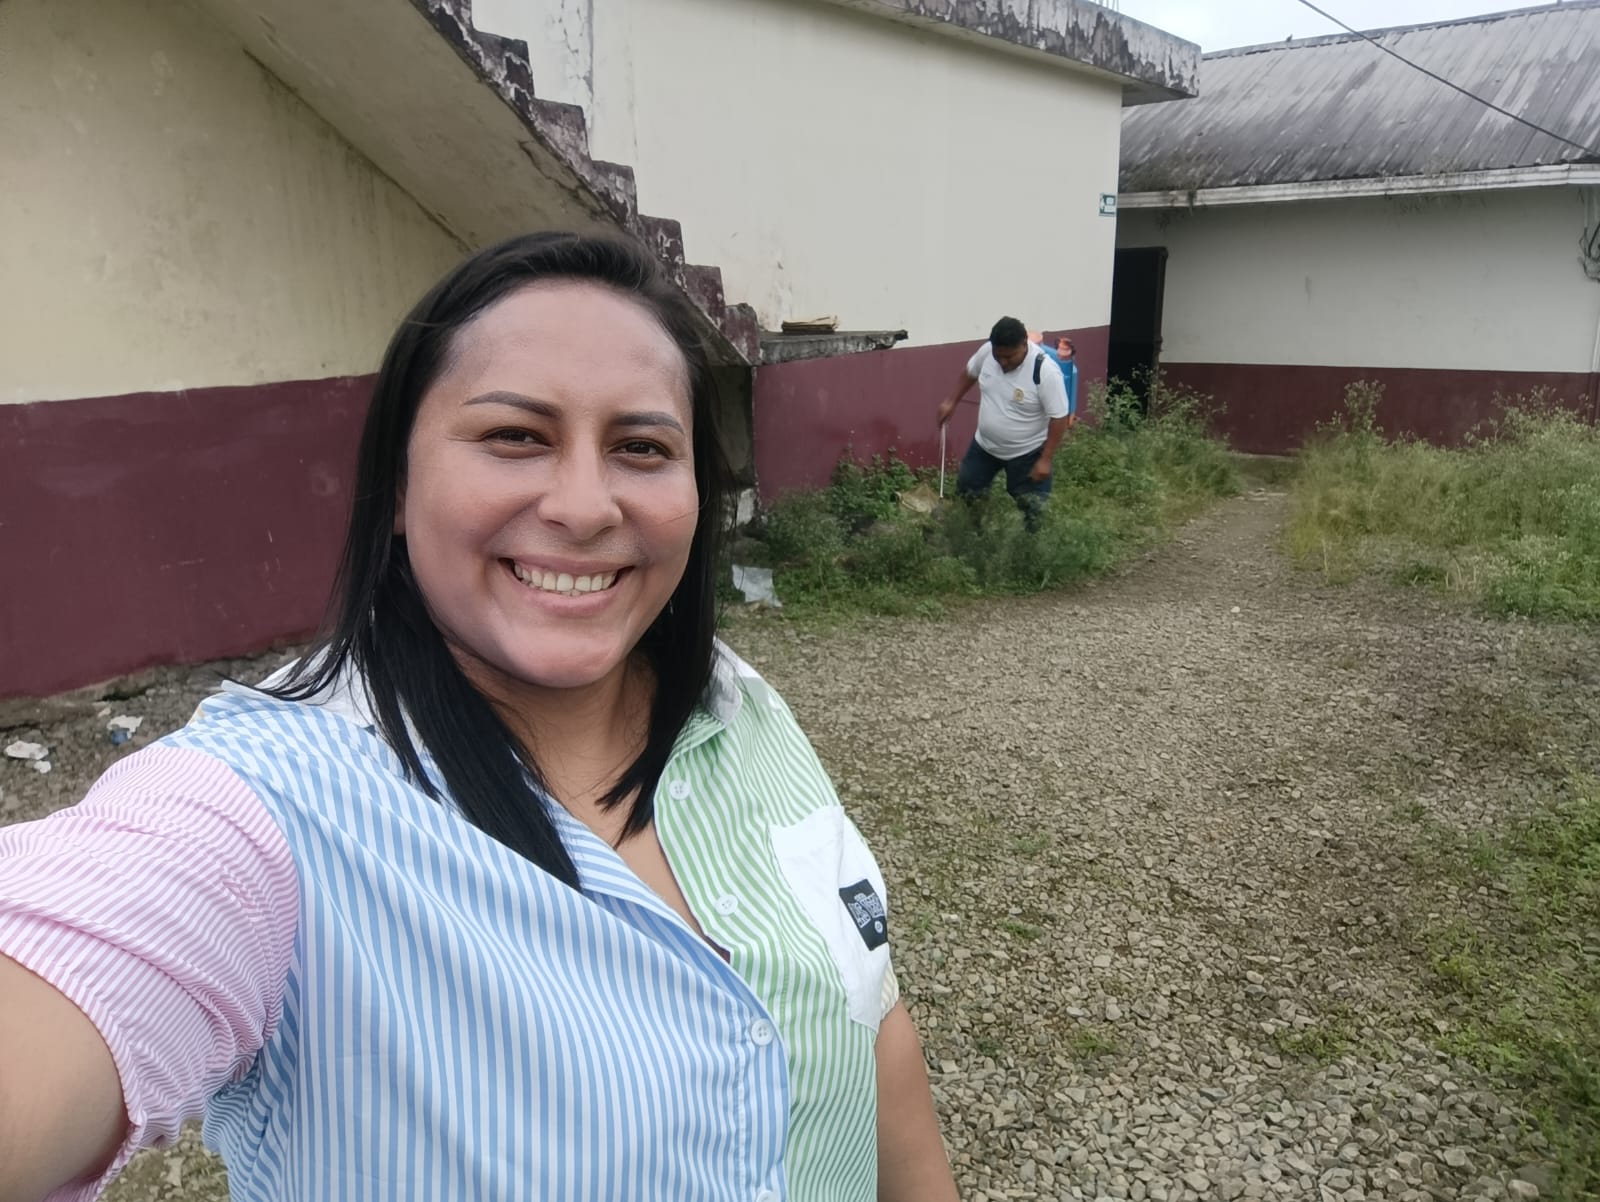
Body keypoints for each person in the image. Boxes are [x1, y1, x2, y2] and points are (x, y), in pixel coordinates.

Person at [0, 233, 960, 1202]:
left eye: (641, 448)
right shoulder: (271, 805)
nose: (585, 507)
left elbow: (868, 1017)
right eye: (514, 436)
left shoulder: (735, 703)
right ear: (397, 489)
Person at [936, 316, 1072, 531]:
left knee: (1033, 509)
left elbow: (1059, 417)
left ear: (1024, 344)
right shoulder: (987, 353)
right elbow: (970, 372)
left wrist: (1046, 459)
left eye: (1009, 356)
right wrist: (951, 401)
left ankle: (1031, 546)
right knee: (968, 493)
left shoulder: (1045, 371)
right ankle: (972, 536)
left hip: (1027, 453)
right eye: (998, 355)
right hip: (984, 447)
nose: (1003, 362)